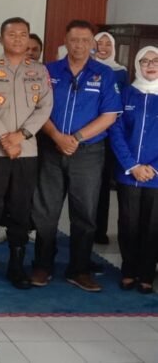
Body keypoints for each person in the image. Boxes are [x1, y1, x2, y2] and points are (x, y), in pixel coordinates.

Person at [31, 20, 122, 292]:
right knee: (46, 211)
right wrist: (57, 137)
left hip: (88, 153)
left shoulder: (104, 74)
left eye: (85, 40)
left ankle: (79, 269)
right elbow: (37, 108)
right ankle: (42, 265)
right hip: (51, 148)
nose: (79, 45)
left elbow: (109, 115)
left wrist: (76, 138)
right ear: (65, 41)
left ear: (92, 43)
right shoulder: (48, 71)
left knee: (84, 214)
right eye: (74, 40)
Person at [0, 18, 52, 289]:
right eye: (12, 34)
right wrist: (5, 139)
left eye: (23, 34)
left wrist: (21, 135)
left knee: (20, 209)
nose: (18, 39)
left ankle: (16, 267)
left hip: (26, 152)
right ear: (1, 38)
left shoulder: (39, 71)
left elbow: (45, 107)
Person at [109, 46, 158, 294]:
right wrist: (132, 165)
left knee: (153, 226)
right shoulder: (126, 93)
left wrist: (154, 168)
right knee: (128, 223)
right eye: (145, 61)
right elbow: (115, 131)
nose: (150, 65)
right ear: (137, 65)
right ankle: (129, 270)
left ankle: (147, 273)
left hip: (155, 177)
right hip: (128, 173)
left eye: (155, 61)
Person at [93, 31, 129, 245]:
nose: (104, 47)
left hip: (107, 133)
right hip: (83, 130)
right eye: (99, 43)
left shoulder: (120, 72)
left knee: (102, 183)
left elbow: (121, 104)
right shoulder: (86, 67)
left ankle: (99, 230)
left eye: (108, 44)